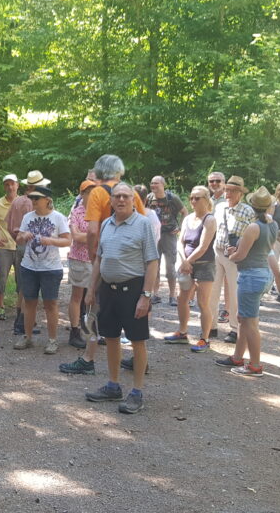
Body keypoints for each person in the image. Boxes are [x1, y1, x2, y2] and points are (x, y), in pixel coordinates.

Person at [60, 155, 146, 376]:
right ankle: (139, 359)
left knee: (95, 309)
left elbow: (92, 231)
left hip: (107, 260)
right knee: (133, 313)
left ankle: (89, 359)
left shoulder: (98, 193)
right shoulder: (131, 193)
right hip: (132, 263)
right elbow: (143, 224)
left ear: (99, 171)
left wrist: (93, 256)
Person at [83, 182, 158, 414]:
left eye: (126, 196)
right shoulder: (106, 223)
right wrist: (91, 288)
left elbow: (152, 262)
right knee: (111, 337)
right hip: (108, 290)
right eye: (117, 196)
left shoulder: (143, 224)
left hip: (133, 290)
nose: (121, 200)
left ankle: (137, 392)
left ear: (134, 200)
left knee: (137, 340)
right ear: (111, 200)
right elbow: (99, 259)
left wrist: (146, 296)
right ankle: (113, 385)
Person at [215, 187, 277, 377]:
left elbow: (240, 256)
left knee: (250, 323)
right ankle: (237, 357)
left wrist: (230, 254)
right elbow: (258, 249)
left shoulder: (253, 227)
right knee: (243, 318)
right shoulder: (272, 224)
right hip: (263, 273)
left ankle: (255, 365)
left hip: (251, 276)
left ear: (252, 206)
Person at [14, 185, 71, 353]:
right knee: (29, 302)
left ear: (47, 200)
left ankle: (52, 340)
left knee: (50, 303)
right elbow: (18, 239)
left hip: (51, 268)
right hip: (29, 266)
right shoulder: (27, 217)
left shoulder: (58, 217)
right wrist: (23, 236)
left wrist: (51, 240)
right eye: (32, 198)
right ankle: (28, 337)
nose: (33, 201)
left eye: (36, 198)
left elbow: (68, 241)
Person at [165, 185, 217, 352]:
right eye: (191, 198)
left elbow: (203, 246)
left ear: (206, 200)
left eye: (197, 198)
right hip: (186, 265)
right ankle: (182, 332)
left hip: (205, 265)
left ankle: (205, 338)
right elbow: (180, 242)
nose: (193, 201)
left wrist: (187, 261)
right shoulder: (188, 219)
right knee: (182, 298)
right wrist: (184, 262)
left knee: (203, 302)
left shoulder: (209, 220)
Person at [209, 175, 254, 344]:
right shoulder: (219, 207)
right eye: (227, 190)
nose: (228, 193)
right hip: (217, 251)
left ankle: (235, 328)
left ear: (240, 193)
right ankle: (211, 325)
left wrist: (240, 248)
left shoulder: (247, 211)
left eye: (233, 191)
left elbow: (253, 234)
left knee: (235, 292)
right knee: (212, 290)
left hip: (234, 257)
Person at [8, 170, 51, 335]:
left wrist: (17, 240)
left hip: (19, 245)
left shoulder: (17, 201)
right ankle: (23, 321)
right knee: (30, 286)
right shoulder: (34, 203)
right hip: (32, 247)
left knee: (24, 285)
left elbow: (9, 225)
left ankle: (22, 320)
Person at [146, 175, 187, 306]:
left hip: (169, 235)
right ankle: (155, 294)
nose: (153, 185)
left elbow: (184, 212)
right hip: (154, 235)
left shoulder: (172, 198)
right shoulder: (148, 198)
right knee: (154, 265)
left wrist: (180, 227)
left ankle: (172, 295)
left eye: (156, 183)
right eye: (152, 183)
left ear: (163, 185)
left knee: (170, 267)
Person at [66, 180, 98, 349]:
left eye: (94, 192)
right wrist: (93, 236)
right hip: (79, 259)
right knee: (77, 296)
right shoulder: (76, 212)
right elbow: (76, 236)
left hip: (96, 259)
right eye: (88, 192)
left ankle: (93, 331)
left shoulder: (100, 212)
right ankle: (74, 331)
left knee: (95, 297)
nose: (92, 195)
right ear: (82, 194)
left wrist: (90, 236)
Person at [0, 174, 19, 320]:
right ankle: (1, 308)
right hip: (4, 248)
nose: (10, 187)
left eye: (12, 184)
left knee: (23, 280)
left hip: (21, 247)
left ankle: (21, 308)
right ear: (4, 187)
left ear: (17, 185)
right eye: (7, 184)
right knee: (1, 278)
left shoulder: (24, 202)